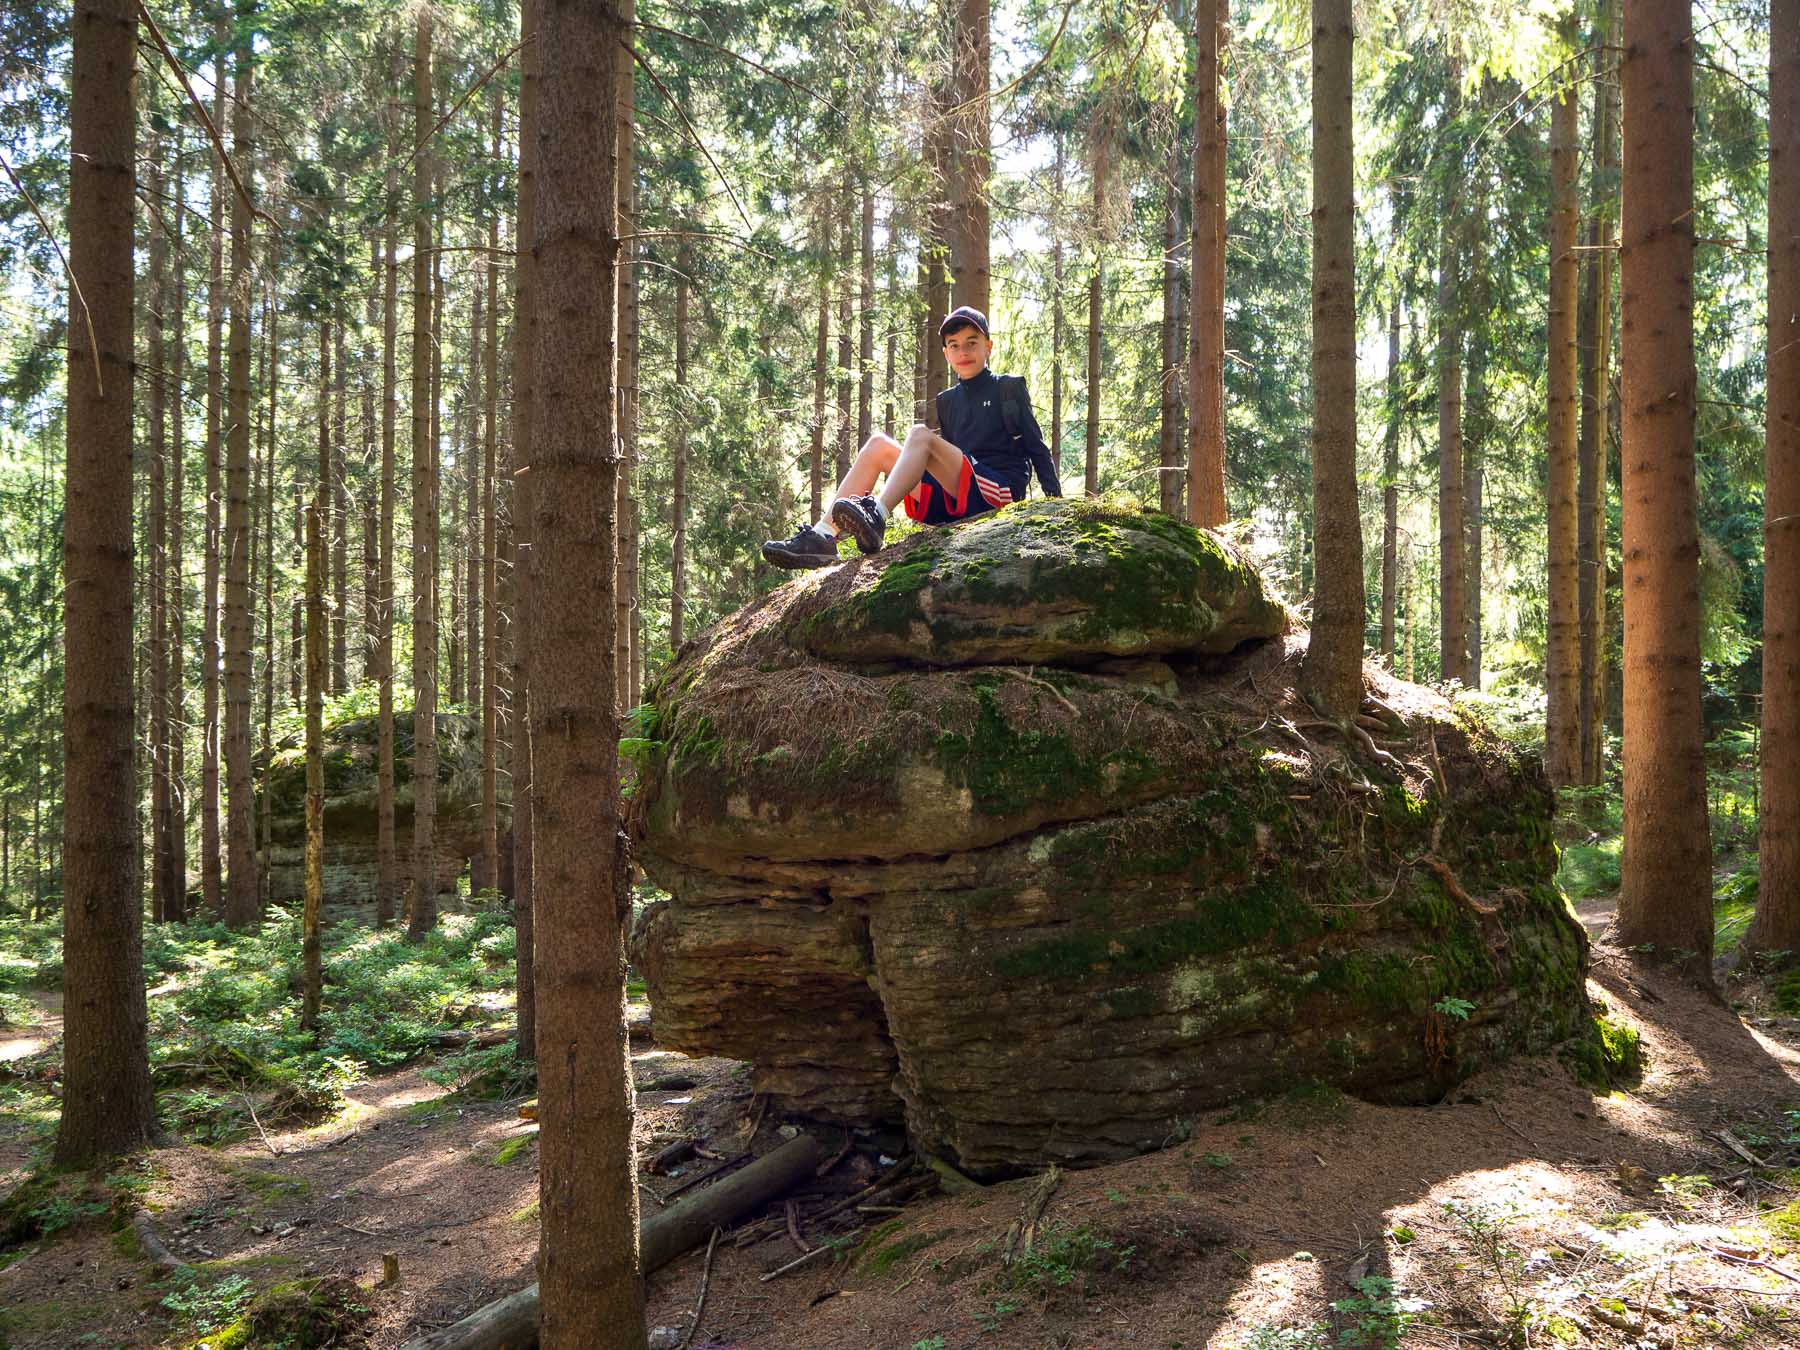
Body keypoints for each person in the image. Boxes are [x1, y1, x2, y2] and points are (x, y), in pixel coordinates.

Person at [763, 305, 1062, 568]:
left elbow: (1036, 446)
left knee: (920, 435)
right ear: (946, 354)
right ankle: (822, 538)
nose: (963, 351)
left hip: (999, 491)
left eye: (972, 343)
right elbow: (949, 459)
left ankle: (877, 515)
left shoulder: (1007, 388)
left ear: (989, 346)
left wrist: (1056, 506)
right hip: (961, 496)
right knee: (879, 444)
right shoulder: (948, 401)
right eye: (954, 345)